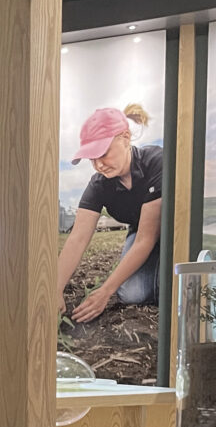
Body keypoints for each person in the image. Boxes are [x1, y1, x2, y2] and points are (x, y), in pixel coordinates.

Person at [57, 104, 162, 323]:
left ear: (125, 138)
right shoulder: (98, 185)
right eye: (91, 159)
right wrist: (55, 289)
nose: (98, 165)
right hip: (140, 233)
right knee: (131, 293)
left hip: (172, 232)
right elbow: (77, 238)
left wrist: (105, 291)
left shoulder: (156, 163)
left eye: (102, 154)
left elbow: (147, 238)